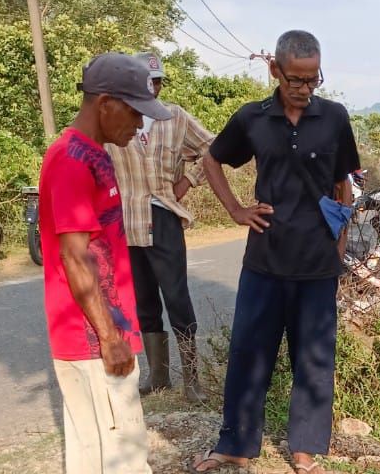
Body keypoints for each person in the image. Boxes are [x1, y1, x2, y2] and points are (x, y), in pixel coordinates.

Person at [191, 30, 360, 474]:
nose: (305, 90)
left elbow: (343, 183)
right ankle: (237, 445)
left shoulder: (334, 117)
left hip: (317, 263)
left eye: (313, 80)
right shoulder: (253, 118)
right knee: (249, 353)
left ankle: (304, 450)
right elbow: (212, 159)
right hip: (264, 261)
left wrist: (338, 247)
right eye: (296, 80)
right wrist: (235, 210)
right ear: (274, 70)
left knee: (314, 359)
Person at [38, 52, 172, 474]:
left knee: (94, 459)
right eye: (135, 113)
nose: (138, 124)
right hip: (94, 342)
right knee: (124, 458)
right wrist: (109, 337)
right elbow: (75, 257)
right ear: (105, 104)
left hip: (98, 336)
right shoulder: (72, 161)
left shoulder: (91, 153)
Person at [106, 52, 215, 403]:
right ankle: (158, 376)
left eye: (157, 81)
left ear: (162, 84)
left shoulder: (175, 117)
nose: (152, 87)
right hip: (127, 219)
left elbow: (213, 147)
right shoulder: (117, 119)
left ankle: (193, 380)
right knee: (144, 300)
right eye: (145, 81)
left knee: (177, 297)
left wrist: (187, 183)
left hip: (165, 215)